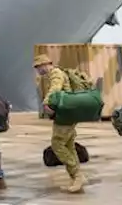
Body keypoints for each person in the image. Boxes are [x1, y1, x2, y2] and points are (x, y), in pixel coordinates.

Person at [35, 53, 85, 193]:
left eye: (39, 67)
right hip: (68, 113)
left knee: (57, 144)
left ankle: (77, 175)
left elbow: (55, 89)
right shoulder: (57, 72)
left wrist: (46, 104)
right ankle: (76, 177)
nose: (38, 71)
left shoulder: (56, 74)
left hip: (65, 115)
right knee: (69, 145)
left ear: (45, 65)